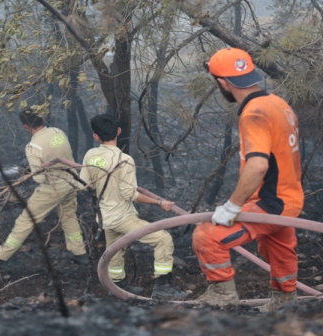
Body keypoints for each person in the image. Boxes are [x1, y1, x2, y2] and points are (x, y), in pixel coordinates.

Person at [192, 48, 304, 312]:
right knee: (278, 247)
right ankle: (285, 302)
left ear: (222, 83)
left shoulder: (254, 114)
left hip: (271, 202)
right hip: (290, 199)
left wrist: (231, 207)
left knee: (206, 236)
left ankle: (223, 296)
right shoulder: (278, 103)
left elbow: (257, 165)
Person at [80, 113, 187, 299]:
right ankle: (163, 286)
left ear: (95, 136)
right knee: (163, 239)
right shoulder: (125, 160)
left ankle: (116, 287)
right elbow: (130, 194)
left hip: (105, 217)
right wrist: (159, 202)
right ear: (119, 131)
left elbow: (83, 185)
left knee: (114, 250)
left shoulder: (90, 155)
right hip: (122, 217)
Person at [0, 109, 89, 265]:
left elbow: (39, 178)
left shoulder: (33, 147)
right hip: (71, 183)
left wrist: (31, 171)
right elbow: (58, 156)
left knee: (25, 221)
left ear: (25, 126)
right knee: (69, 218)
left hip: (52, 189)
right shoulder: (57, 132)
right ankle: (80, 253)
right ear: (43, 119)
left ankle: (0, 257)